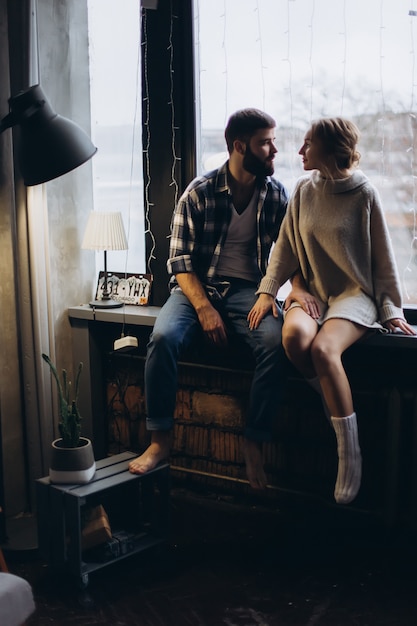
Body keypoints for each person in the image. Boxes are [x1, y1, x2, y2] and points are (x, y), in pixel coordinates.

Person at [129, 108, 308, 489]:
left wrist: (290, 292)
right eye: (266, 142)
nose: (275, 150)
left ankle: (254, 441)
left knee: (275, 344)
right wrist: (205, 308)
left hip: (250, 293)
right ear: (240, 147)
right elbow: (180, 263)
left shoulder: (275, 194)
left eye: (273, 141)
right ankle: (160, 441)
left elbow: (290, 252)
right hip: (198, 288)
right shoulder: (200, 192)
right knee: (162, 339)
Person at [248, 116, 416, 504]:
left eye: (308, 144)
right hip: (314, 293)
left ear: (329, 148)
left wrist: (391, 308)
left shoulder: (364, 193)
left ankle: (349, 453)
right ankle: (334, 405)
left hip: (354, 295)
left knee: (324, 350)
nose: (300, 151)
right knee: (293, 338)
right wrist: (267, 291)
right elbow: (284, 250)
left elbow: (383, 259)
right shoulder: (304, 191)